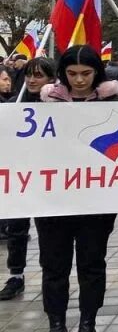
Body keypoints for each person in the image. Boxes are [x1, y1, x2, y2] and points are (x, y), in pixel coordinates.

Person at [38, 46, 118, 332]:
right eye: (72, 74)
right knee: (53, 266)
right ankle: (57, 322)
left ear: (97, 72)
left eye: (86, 73)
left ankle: (88, 320)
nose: (79, 80)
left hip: (95, 203)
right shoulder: (44, 102)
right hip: (52, 201)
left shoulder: (116, 100)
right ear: (62, 74)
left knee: (92, 264)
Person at [0, 58, 57, 303]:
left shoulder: (60, 106)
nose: (32, 80)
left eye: (39, 76)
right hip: (20, 178)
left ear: (51, 79)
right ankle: (16, 275)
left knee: (49, 232)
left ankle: (51, 275)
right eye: (29, 75)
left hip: (49, 180)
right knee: (17, 229)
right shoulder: (14, 105)